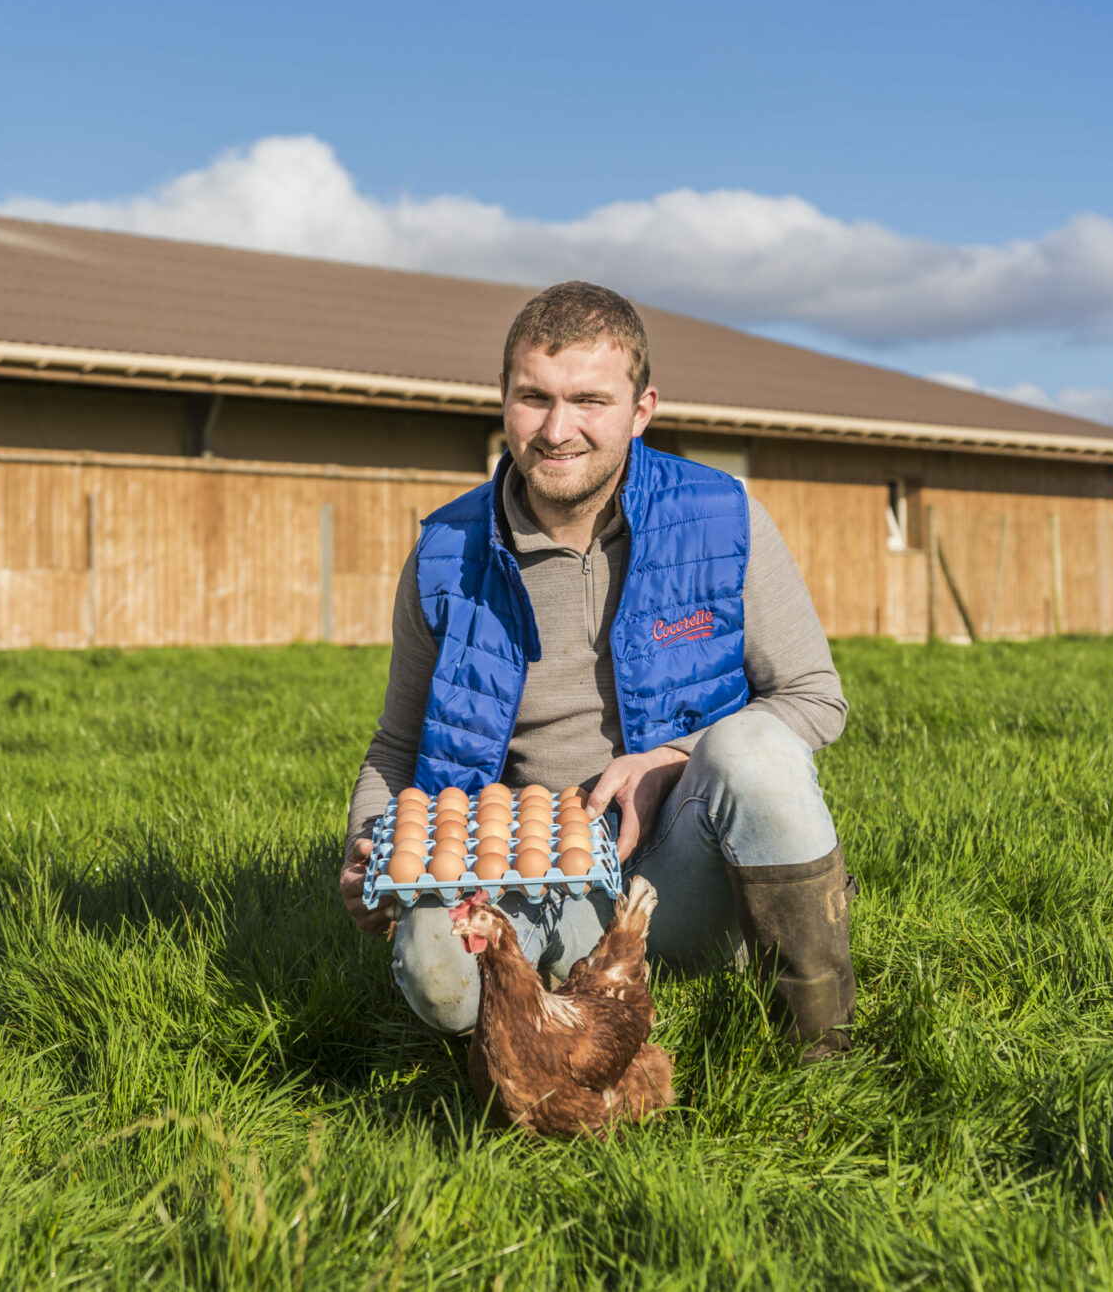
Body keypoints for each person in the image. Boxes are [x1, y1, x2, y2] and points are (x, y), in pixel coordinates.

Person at [337, 280, 858, 1061]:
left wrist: (672, 760)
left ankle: (815, 1050)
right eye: (533, 398)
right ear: (502, 398)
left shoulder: (724, 516)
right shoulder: (445, 553)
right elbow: (397, 742)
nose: (557, 430)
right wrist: (373, 848)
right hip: (533, 873)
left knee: (754, 751)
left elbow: (815, 700)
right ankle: (560, 990)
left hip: (687, 859)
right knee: (435, 975)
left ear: (641, 409)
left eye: (589, 400)